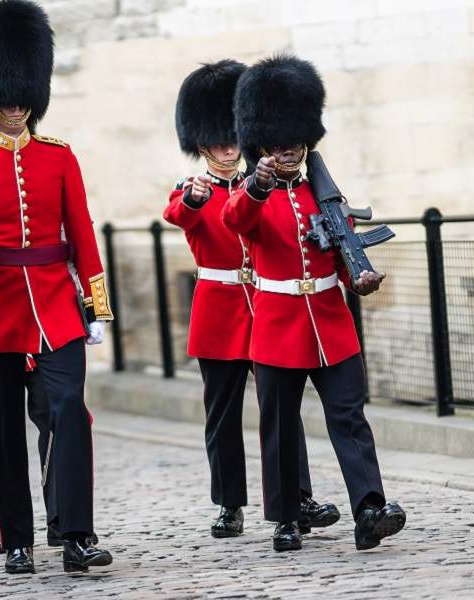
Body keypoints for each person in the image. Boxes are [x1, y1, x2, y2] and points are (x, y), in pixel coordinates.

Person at [0, 0, 113, 574]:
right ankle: (16, 537)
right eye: (5, 96)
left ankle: (77, 533)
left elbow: (82, 233)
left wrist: (96, 305)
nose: (14, 107)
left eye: (22, 96)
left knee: (67, 410)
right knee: (6, 432)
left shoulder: (59, 157)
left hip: (56, 307)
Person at [222, 55, 406, 552]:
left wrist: (359, 277)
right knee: (280, 427)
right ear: (261, 145)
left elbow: (340, 247)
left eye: (295, 144)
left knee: (350, 417)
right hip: (279, 325)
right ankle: (286, 516)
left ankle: (369, 508)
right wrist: (257, 184)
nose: (287, 152)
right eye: (278, 145)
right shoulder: (251, 194)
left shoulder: (321, 195)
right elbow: (233, 221)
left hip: (330, 322)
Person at [165, 60, 339, 540]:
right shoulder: (193, 188)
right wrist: (196, 199)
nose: (228, 148)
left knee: (281, 410)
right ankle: (229, 503)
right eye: (217, 141)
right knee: (222, 415)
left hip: (267, 307)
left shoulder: (259, 185)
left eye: (232, 138)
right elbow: (178, 213)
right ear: (201, 145)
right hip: (220, 310)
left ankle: (298, 496)